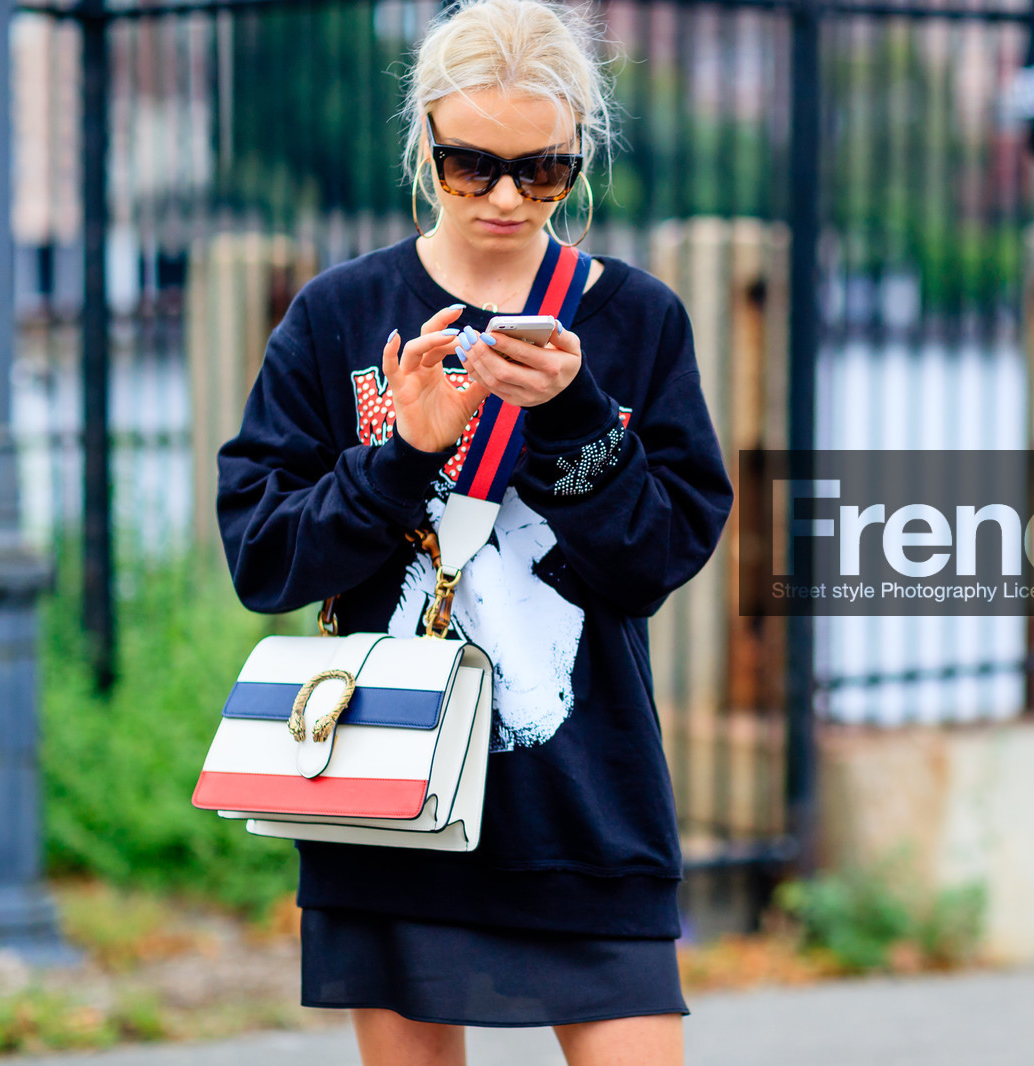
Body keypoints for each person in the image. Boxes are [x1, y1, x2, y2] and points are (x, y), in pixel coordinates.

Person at [215, 1, 732, 1062]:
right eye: (470, 165)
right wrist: (402, 456)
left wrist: (578, 417)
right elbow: (263, 555)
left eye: (540, 171)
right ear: (424, 147)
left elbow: (658, 560)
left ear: (577, 159)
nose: (505, 196)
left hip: (590, 806)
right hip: (392, 800)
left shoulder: (634, 321)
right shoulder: (338, 315)